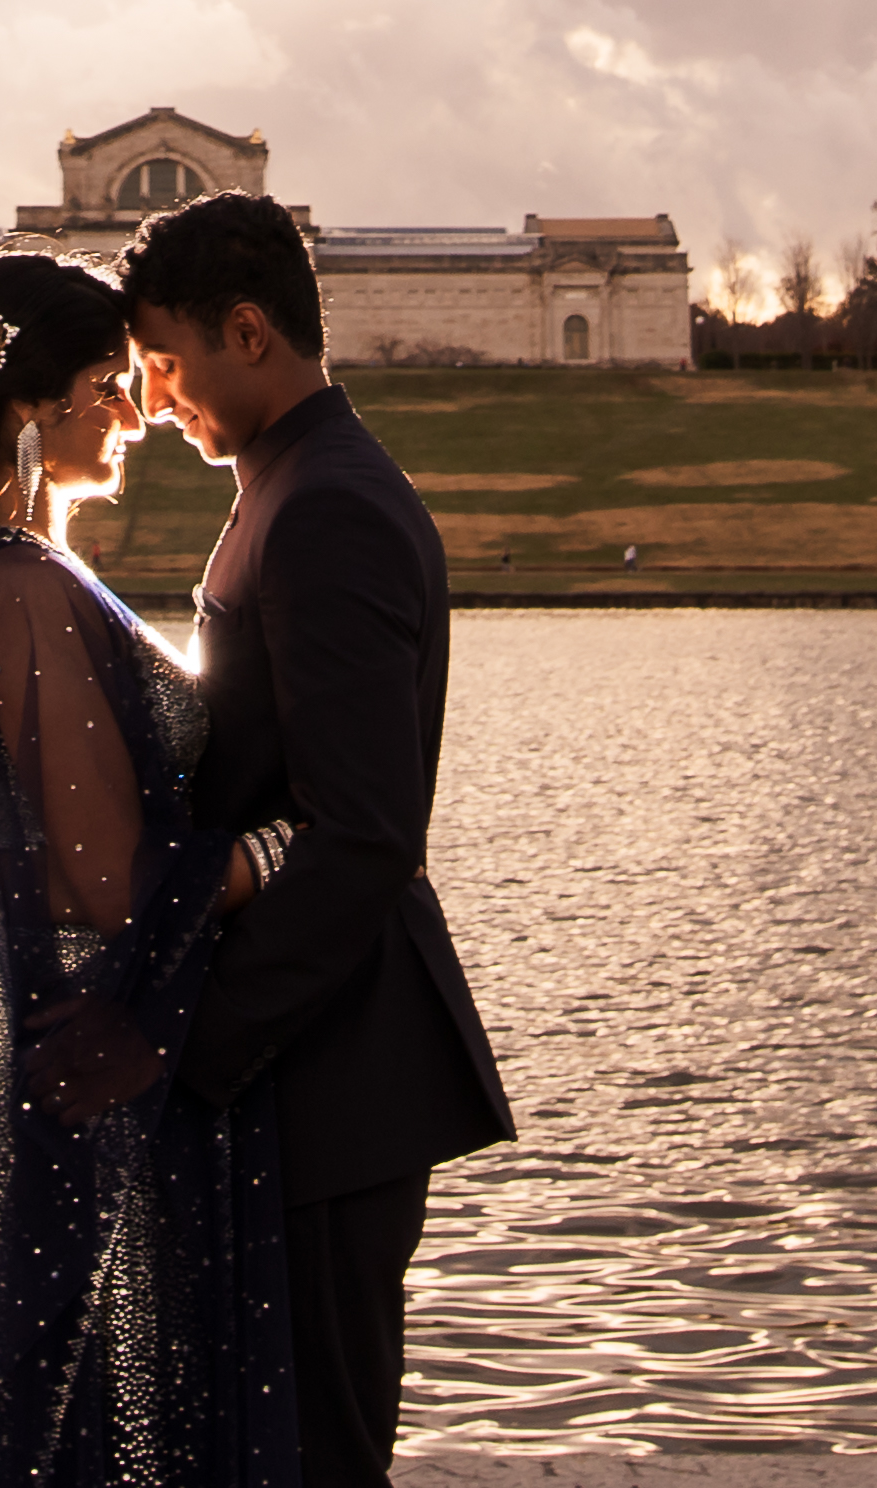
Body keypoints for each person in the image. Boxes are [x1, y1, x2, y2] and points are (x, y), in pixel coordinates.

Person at [0, 251, 284, 1488]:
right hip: (77, 1049)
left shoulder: (18, 573)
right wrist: (278, 850)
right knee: (63, 1406)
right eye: (108, 382)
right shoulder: (22, 585)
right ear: (25, 403)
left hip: (61, 1031)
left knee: (60, 1397)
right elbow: (108, 887)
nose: (135, 409)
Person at [125, 193, 514, 1488]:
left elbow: (362, 838)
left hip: (333, 1074)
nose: (154, 395)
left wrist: (191, 1054)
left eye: (168, 362)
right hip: (302, 1069)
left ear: (249, 332)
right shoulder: (283, 486)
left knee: (320, 1459)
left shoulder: (330, 507)